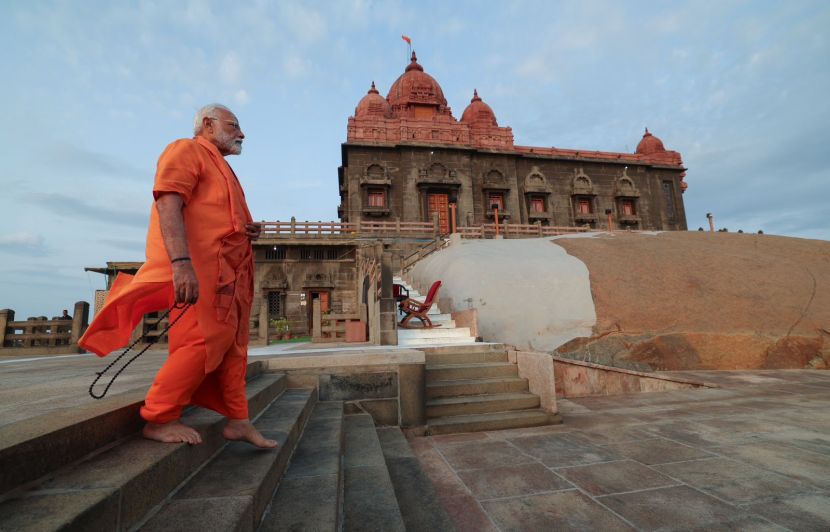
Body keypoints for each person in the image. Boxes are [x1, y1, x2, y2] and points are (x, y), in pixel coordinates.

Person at [80, 104, 276, 448]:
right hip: (199, 270)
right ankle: (159, 417)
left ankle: (238, 419)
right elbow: (168, 202)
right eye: (233, 126)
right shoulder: (186, 150)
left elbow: (216, 217)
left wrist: (245, 230)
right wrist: (181, 262)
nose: (241, 133)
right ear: (207, 124)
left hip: (230, 276)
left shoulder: (223, 168)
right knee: (200, 342)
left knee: (233, 346)